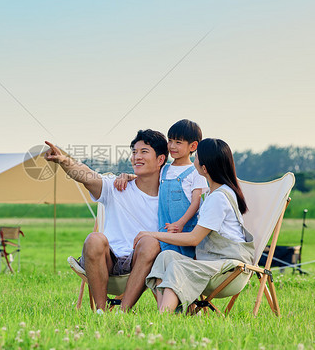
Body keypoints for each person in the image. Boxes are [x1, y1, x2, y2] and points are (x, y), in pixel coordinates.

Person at [44, 129, 168, 312]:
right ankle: (100, 312)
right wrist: (64, 161)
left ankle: (122, 311)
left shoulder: (169, 198)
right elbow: (86, 175)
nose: (136, 157)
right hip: (107, 261)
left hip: (142, 261)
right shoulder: (117, 186)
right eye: (134, 152)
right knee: (94, 239)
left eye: (144, 152)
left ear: (160, 160)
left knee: (150, 243)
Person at [133, 138, 255, 313]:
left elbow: (193, 238)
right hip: (214, 264)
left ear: (204, 169)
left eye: (196, 157)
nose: (193, 161)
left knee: (177, 266)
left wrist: (152, 234)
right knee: (165, 257)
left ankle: (163, 318)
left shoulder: (219, 198)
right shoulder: (215, 193)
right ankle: (169, 313)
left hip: (230, 269)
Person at [115, 119, 207, 258]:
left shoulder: (195, 171)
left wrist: (180, 224)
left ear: (193, 146)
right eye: (170, 141)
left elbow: (196, 202)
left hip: (185, 230)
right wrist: (125, 176)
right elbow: (145, 177)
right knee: (165, 260)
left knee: (184, 262)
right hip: (165, 230)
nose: (172, 146)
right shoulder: (165, 169)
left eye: (178, 142)